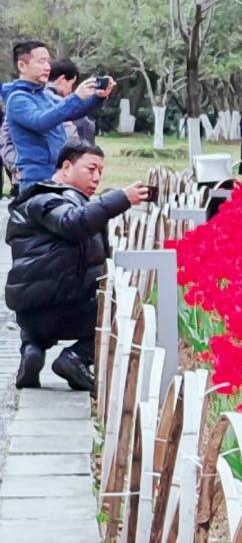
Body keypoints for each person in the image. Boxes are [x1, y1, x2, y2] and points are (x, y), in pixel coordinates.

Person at [4, 141, 149, 391]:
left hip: (31, 316)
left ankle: (32, 349)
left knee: (41, 293)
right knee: (120, 312)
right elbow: (72, 223)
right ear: (66, 167)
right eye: (91, 169)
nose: (96, 178)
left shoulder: (37, 200)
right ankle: (76, 358)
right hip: (66, 309)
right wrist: (121, 199)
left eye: (100, 172)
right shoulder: (49, 199)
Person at [2, 43, 113, 192]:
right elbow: (40, 121)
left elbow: (74, 111)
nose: (47, 67)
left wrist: (98, 97)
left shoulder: (45, 95)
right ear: (22, 66)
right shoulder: (17, 99)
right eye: (41, 61)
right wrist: (75, 97)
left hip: (58, 175)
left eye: (48, 62)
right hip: (36, 178)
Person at [46, 61, 98, 148]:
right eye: (71, 85)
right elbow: (73, 138)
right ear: (62, 80)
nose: (70, 91)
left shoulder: (33, 96)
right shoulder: (60, 104)